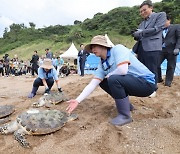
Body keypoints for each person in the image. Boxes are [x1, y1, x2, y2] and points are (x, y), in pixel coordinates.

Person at [66, 35, 156, 126]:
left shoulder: (118, 49)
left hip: (146, 84)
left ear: (103, 46)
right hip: (133, 84)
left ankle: (125, 116)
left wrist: (109, 75)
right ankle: (126, 106)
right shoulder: (102, 64)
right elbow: (92, 84)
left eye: (95, 46)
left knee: (113, 79)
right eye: (91, 47)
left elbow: (122, 70)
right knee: (103, 82)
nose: (93, 49)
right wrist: (77, 100)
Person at [132, 0, 166, 96]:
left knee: (152, 69)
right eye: (141, 11)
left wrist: (141, 32)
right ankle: (143, 88)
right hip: (142, 48)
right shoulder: (141, 23)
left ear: (151, 8)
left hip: (153, 47)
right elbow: (140, 36)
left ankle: (152, 89)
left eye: (144, 10)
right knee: (142, 69)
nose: (142, 13)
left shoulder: (160, 15)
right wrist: (136, 35)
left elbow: (157, 28)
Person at [157, 15, 180, 87]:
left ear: (169, 20)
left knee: (171, 66)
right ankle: (159, 79)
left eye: (164, 21)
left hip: (172, 50)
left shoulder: (175, 27)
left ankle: (168, 82)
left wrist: (177, 48)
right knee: (156, 64)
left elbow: (179, 38)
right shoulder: (160, 29)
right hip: (161, 50)